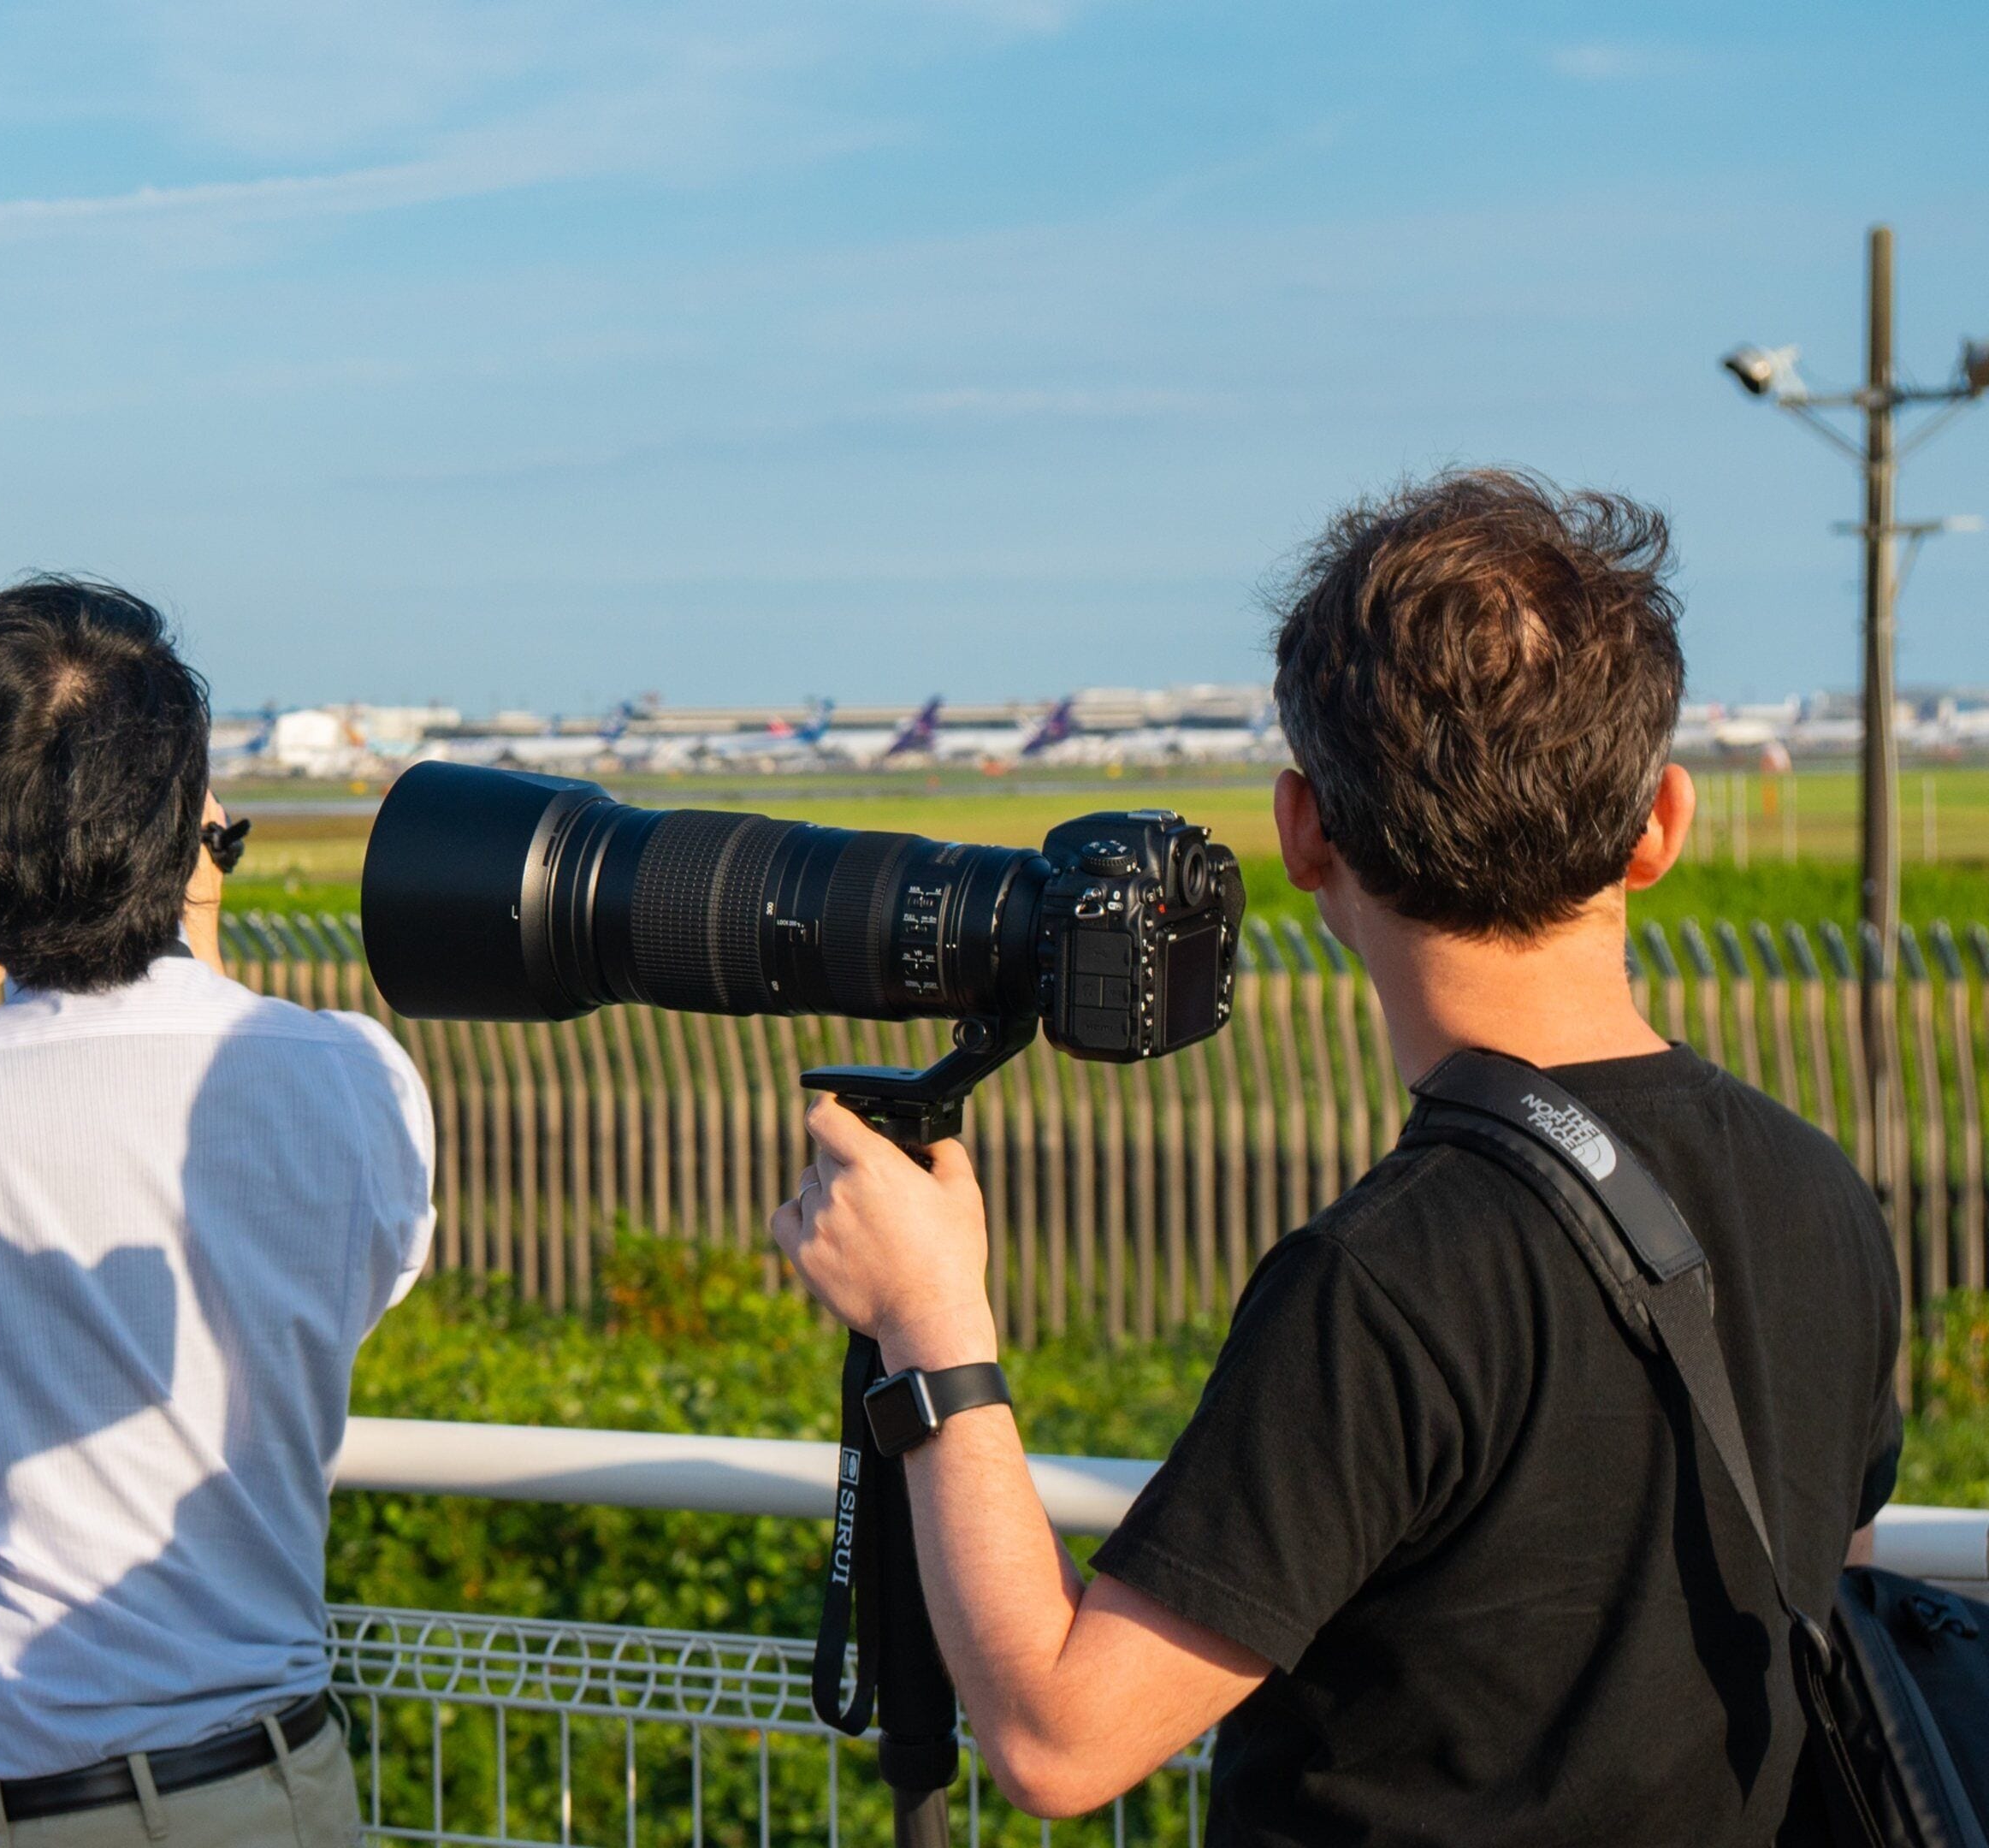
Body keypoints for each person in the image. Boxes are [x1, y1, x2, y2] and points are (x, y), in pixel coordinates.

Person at [767, 471, 1902, 1844]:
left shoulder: (1389, 1278)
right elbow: (1831, 1599)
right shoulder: (1821, 1195)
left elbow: (1062, 1742)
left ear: (1305, 835)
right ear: (1660, 825)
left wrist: (928, 1323)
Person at [0, 577, 432, 1846]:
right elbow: (323, 1252)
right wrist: (197, 923)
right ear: (188, 819)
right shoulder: (357, 1079)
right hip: (280, 1792)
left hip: (15, 1815)